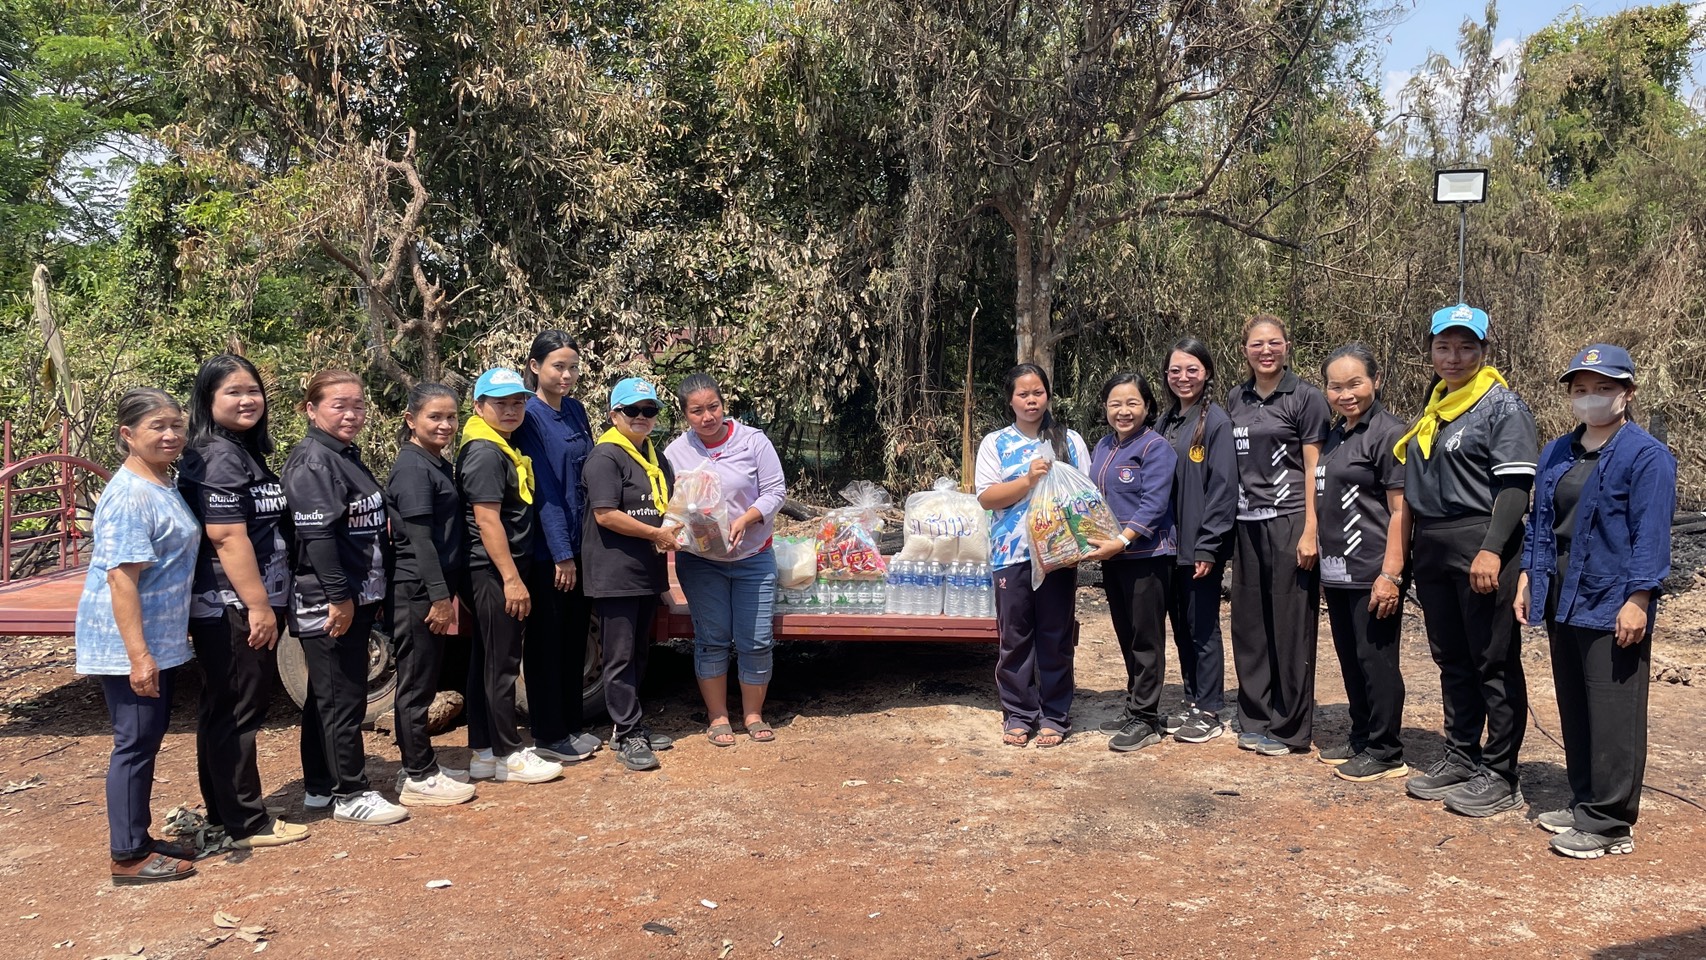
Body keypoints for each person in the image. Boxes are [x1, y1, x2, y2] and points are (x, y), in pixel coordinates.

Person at [1517, 344, 1674, 858]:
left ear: (1627, 393)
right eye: (1581, 389)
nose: (1591, 398)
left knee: (1613, 709)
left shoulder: (1646, 456)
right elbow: (1540, 522)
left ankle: (1610, 821)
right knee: (1575, 701)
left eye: (1603, 388)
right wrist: (1528, 577)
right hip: (1562, 593)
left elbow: (1650, 534)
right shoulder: (1557, 451)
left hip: (1612, 595)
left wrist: (1639, 597)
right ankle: (1584, 798)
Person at [1396, 303, 1538, 817]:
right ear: (1431, 351)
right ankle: (1461, 753)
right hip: (1434, 545)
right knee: (1451, 658)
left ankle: (1500, 772)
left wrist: (1492, 549)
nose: (1453, 357)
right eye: (1443, 346)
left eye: (1465, 347)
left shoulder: (1502, 406)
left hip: (1480, 541)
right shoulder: (1436, 406)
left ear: (1484, 350)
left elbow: (1515, 487)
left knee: (1491, 660)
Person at [178, 355, 309, 849]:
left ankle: (225, 811)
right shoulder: (217, 455)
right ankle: (246, 824)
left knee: (224, 705)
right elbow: (227, 536)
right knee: (238, 708)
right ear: (208, 400)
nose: (247, 400)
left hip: (242, 600)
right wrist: (257, 606)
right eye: (232, 392)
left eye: (253, 390)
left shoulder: (240, 450)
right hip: (229, 603)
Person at [76, 389, 201, 884]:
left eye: (176, 425)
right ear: (127, 435)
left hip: (155, 638)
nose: (170, 435)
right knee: (134, 741)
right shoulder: (130, 495)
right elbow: (121, 579)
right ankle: (127, 856)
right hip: (126, 642)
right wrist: (139, 655)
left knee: (146, 737)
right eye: (157, 426)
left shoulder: (162, 482)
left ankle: (139, 839)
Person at [282, 370, 408, 825]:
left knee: (327, 696)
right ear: (311, 409)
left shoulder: (342, 455)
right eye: (339, 405)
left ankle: (320, 786)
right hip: (329, 599)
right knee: (343, 698)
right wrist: (339, 597)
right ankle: (350, 794)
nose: (352, 414)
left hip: (357, 594)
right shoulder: (312, 462)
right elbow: (318, 538)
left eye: (358, 405)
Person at [664, 373, 788, 746]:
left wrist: (747, 518)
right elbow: (669, 504)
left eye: (713, 407)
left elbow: (775, 490)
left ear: (723, 405)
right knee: (712, 639)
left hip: (753, 558)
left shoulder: (753, 441)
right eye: (697, 411)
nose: (707, 417)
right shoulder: (675, 453)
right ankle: (718, 717)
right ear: (685, 414)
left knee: (756, 640)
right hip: (701, 563)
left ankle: (753, 715)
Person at [1225, 315, 1330, 757]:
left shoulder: (1306, 397)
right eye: (1256, 344)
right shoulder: (1236, 398)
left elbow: (1314, 468)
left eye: (1273, 343)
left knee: (1290, 627)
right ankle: (1254, 716)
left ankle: (1289, 727)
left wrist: (1311, 529)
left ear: (1287, 346)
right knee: (1249, 625)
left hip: (1290, 521)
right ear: (1245, 350)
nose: (1265, 351)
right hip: (1246, 524)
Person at [975, 363, 1092, 748]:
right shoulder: (995, 443)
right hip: (1011, 554)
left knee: (1055, 636)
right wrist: (1027, 481)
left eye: (1037, 392)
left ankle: (1055, 715)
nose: (1031, 400)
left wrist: (1081, 544)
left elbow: (1085, 496)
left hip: (1057, 554)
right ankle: (1019, 714)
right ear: (1010, 399)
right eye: (1023, 394)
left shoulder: (1069, 440)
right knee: (1015, 637)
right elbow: (987, 497)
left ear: (1048, 396)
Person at [458, 368, 564, 785]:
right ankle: (508, 753)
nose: (511, 410)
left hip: (497, 570)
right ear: (478, 406)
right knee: (502, 664)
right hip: (493, 570)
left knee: (487, 659)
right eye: (500, 403)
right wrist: (511, 578)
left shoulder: (500, 446)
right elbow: (487, 521)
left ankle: (484, 752)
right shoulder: (485, 452)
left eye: (517, 402)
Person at [1314, 345, 1411, 783]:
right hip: (1338, 570)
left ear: (1376, 380)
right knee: (1352, 659)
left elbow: (1401, 510)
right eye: (1336, 386)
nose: (1346, 393)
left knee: (1377, 661)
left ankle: (1386, 749)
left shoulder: (1389, 433)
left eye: (1355, 383)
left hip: (1372, 569)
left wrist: (1390, 575)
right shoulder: (1337, 434)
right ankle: (1361, 735)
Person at [384, 383, 479, 806]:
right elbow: (419, 541)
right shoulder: (411, 468)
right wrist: (440, 599)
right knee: (417, 684)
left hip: (432, 588)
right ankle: (418, 775)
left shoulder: (435, 461)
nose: (445, 424)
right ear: (411, 420)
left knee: (425, 679)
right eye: (434, 417)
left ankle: (421, 765)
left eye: (451, 417)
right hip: (417, 590)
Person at [511, 331, 601, 764]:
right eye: (558, 366)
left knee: (573, 638)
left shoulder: (576, 410)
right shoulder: (528, 417)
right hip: (551, 551)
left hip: (584, 542)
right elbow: (544, 490)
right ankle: (548, 732)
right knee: (546, 642)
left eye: (572, 367)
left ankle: (571, 725)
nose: (567, 375)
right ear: (535, 367)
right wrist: (562, 553)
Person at [583, 377, 678, 771]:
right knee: (619, 655)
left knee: (639, 651)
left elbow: (669, 507)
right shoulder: (606, 457)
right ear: (614, 414)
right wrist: (656, 534)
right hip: (615, 570)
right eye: (632, 410)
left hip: (646, 569)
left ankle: (631, 723)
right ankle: (626, 732)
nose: (642, 417)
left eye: (649, 410)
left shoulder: (655, 458)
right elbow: (605, 514)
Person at [1084, 372, 1177, 752]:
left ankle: (1147, 717)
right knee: (1126, 633)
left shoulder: (1156, 447)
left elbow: (1154, 504)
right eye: (1115, 404)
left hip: (1147, 556)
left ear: (1147, 406)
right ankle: (1135, 706)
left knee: (1146, 638)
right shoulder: (1104, 445)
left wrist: (1121, 540)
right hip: (1113, 557)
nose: (1123, 411)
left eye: (1132, 403)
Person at [1156, 338, 1238, 744]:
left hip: (1198, 546)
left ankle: (1209, 709)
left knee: (1202, 628)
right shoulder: (1166, 420)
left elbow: (1223, 489)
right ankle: (1191, 699)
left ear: (1206, 373)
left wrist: (1208, 544)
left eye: (1192, 369)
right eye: (1175, 370)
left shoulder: (1216, 422)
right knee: (1181, 626)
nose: (1183, 377)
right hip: (1168, 545)